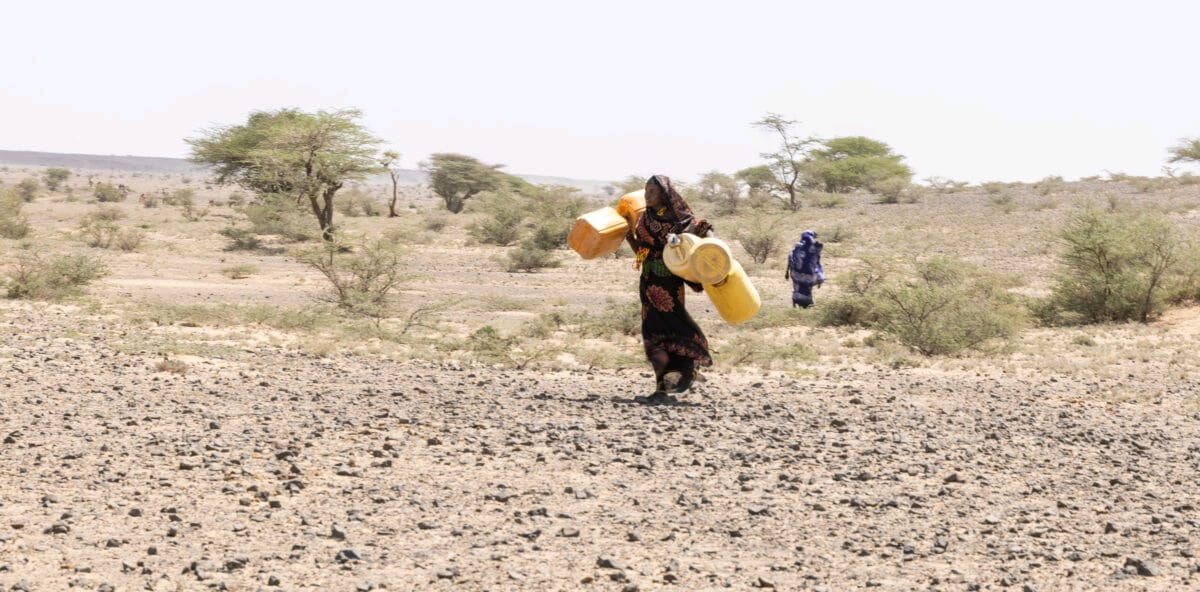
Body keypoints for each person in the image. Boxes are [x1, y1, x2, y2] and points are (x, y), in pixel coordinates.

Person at [627, 175, 713, 404]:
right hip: (648, 282)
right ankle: (661, 390)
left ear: (664, 194)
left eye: (652, 191)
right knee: (652, 336)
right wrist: (628, 236)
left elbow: (704, 235)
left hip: (669, 285)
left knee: (674, 330)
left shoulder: (681, 220)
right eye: (646, 191)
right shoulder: (644, 218)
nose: (647, 195)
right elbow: (642, 252)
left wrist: (706, 246)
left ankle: (687, 369)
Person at [786, 230, 824, 308]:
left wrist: (787, 272)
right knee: (807, 289)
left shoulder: (797, 247)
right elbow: (817, 263)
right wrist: (820, 277)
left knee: (797, 287)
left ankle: (796, 301)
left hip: (795, 274)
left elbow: (790, 258)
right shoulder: (814, 248)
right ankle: (806, 304)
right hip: (808, 275)